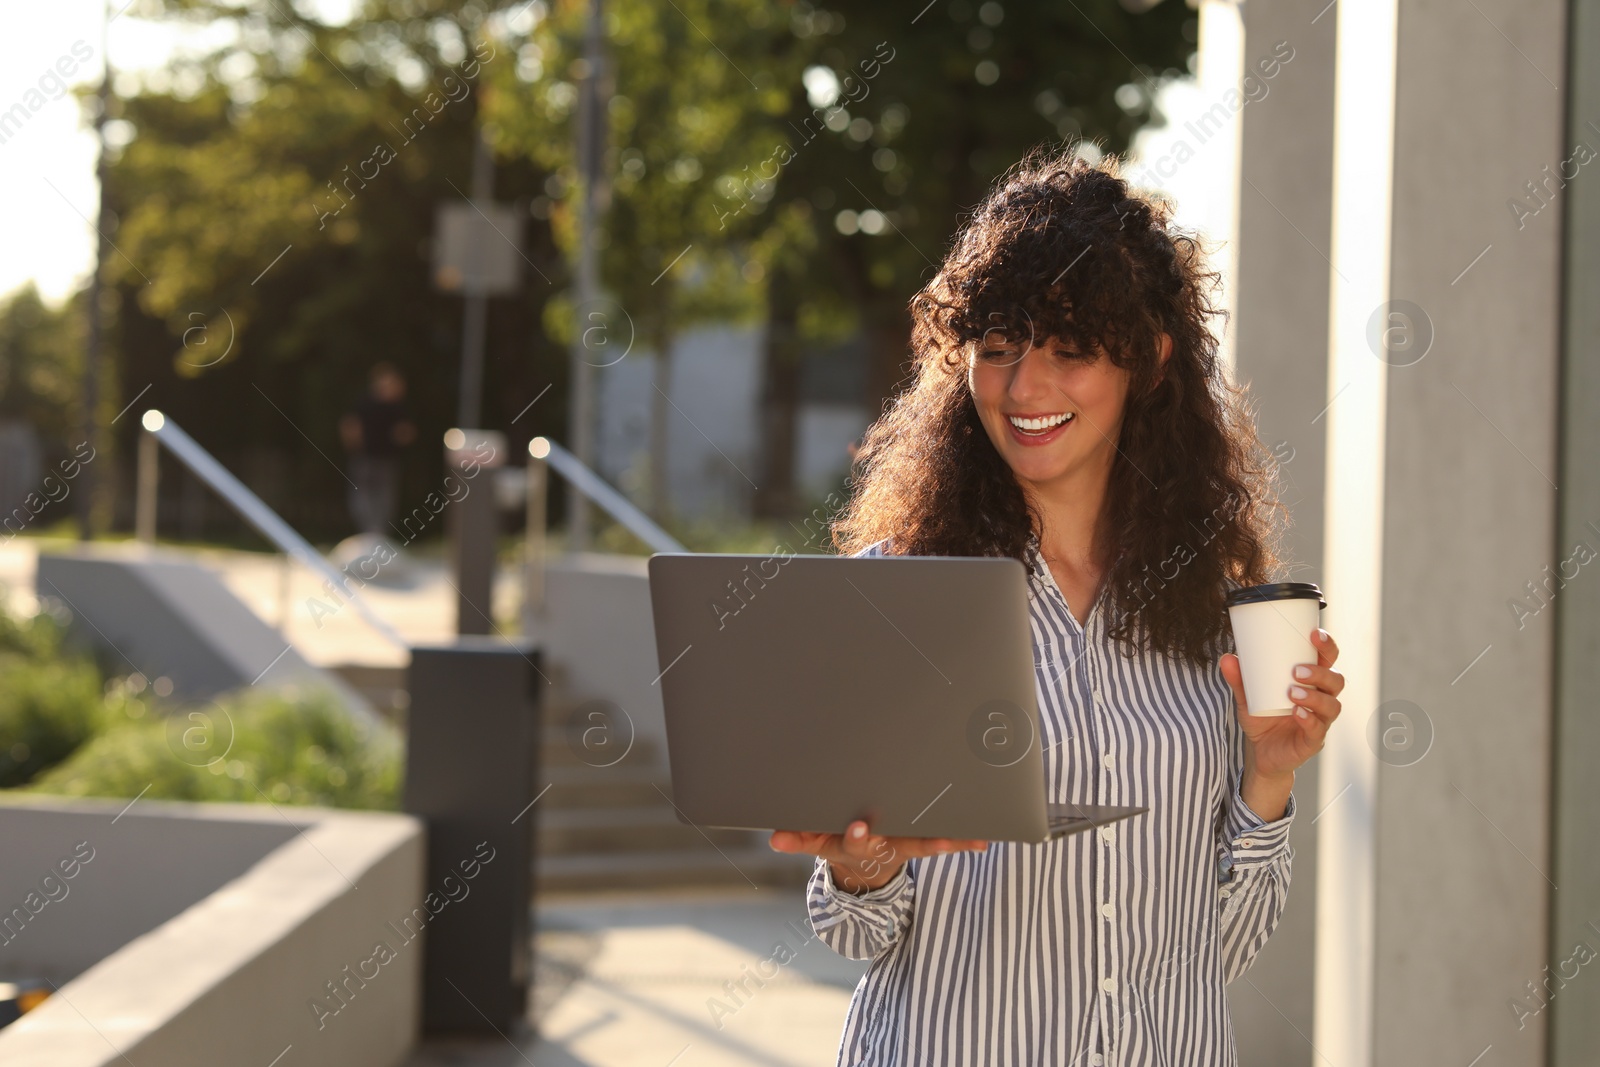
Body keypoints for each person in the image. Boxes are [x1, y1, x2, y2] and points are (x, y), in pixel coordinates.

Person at [769, 147, 1345, 1066]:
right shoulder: (896, 600)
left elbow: (1220, 948)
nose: (1024, 388)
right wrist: (862, 864)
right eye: (997, 349)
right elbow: (858, 931)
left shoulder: (1210, 607)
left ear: (1149, 360)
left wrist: (1268, 779)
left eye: (1070, 350)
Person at [340, 363, 416, 536]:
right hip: (365, 458)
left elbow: (406, 432)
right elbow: (350, 426)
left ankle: (378, 534)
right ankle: (369, 532)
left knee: (385, 499)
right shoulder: (365, 403)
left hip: (387, 460)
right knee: (363, 496)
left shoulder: (397, 407)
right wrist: (354, 446)